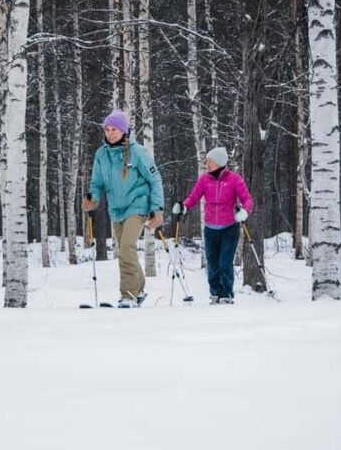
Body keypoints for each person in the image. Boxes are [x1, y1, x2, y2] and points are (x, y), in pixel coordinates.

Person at [82, 110, 165, 308]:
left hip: (138, 205)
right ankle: (140, 288)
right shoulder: (101, 154)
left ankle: (128, 294)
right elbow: (96, 183)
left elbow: (155, 179)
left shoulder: (138, 152)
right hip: (117, 209)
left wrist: (157, 209)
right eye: (107, 129)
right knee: (126, 250)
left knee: (126, 247)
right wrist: (93, 199)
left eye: (115, 129)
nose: (110, 133)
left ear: (124, 131)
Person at [172, 147, 253, 304]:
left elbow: (247, 199)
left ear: (219, 162)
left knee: (225, 262)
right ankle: (215, 294)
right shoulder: (204, 179)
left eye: (210, 161)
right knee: (213, 263)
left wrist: (245, 211)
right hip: (211, 229)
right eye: (207, 161)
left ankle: (226, 294)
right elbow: (194, 197)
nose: (207, 164)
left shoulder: (234, 179)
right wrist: (184, 206)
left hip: (230, 228)